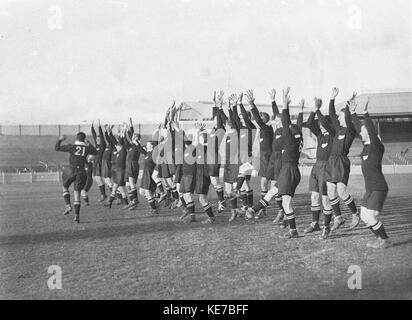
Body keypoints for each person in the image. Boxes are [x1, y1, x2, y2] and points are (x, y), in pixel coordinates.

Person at [247, 88, 304, 239]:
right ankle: (254, 210)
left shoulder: (289, 136)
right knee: (277, 196)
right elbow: (290, 123)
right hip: (291, 170)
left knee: (281, 199)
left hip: (288, 170)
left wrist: (285, 105)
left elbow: (286, 122)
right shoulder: (297, 135)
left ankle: (291, 229)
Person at [352, 97, 391, 249]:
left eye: (363, 130)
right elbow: (357, 126)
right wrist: (353, 112)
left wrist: (365, 112)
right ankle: (379, 239)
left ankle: (385, 240)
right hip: (370, 188)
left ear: (370, 131)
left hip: (379, 187)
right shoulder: (366, 146)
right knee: (363, 216)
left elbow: (369, 129)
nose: (360, 132)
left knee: (371, 216)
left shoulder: (376, 145)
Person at [324, 88, 359, 232]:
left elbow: (349, 120)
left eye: (341, 115)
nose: (338, 117)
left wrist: (349, 107)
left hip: (341, 162)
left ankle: (355, 214)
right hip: (331, 161)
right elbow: (331, 114)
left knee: (342, 191)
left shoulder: (350, 130)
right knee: (331, 191)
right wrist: (332, 98)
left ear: (346, 117)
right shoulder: (338, 129)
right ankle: (338, 217)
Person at [304, 98, 334, 239]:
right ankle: (315, 223)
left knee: (325, 198)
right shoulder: (321, 135)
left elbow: (325, 124)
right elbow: (310, 123)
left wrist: (318, 110)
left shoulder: (333, 135)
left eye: (323, 125)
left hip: (327, 168)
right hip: (317, 166)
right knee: (314, 196)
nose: (320, 127)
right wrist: (313, 110)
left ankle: (326, 227)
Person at [55, 132, 97, 223]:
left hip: (71, 170)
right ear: (83, 139)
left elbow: (57, 148)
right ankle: (77, 217)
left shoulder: (72, 147)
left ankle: (68, 205)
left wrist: (60, 140)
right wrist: (89, 143)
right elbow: (96, 152)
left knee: (65, 187)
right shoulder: (87, 148)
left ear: (76, 139)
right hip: (81, 172)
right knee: (77, 194)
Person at [244, 90, 274, 219]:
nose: (257, 121)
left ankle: (268, 210)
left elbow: (256, 119)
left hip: (269, 161)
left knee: (271, 187)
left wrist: (252, 105)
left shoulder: (267, 129)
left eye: (260, 119)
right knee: (265, 185)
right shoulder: (262, 131)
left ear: (264, 120)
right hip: (263, 160)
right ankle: (264, 209)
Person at [90, 120, 107, 202]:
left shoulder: (103, 145)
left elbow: (102, 136)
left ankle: (116, 195)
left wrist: (99, 127)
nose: (97, 140)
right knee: (98, 179)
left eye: (98, 139)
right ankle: (103, 195)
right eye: (96, 139)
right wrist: (92, 127)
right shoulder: (96, 145)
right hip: (96, 164)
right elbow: (94, 136)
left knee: (107, 180)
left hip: (101, 164)